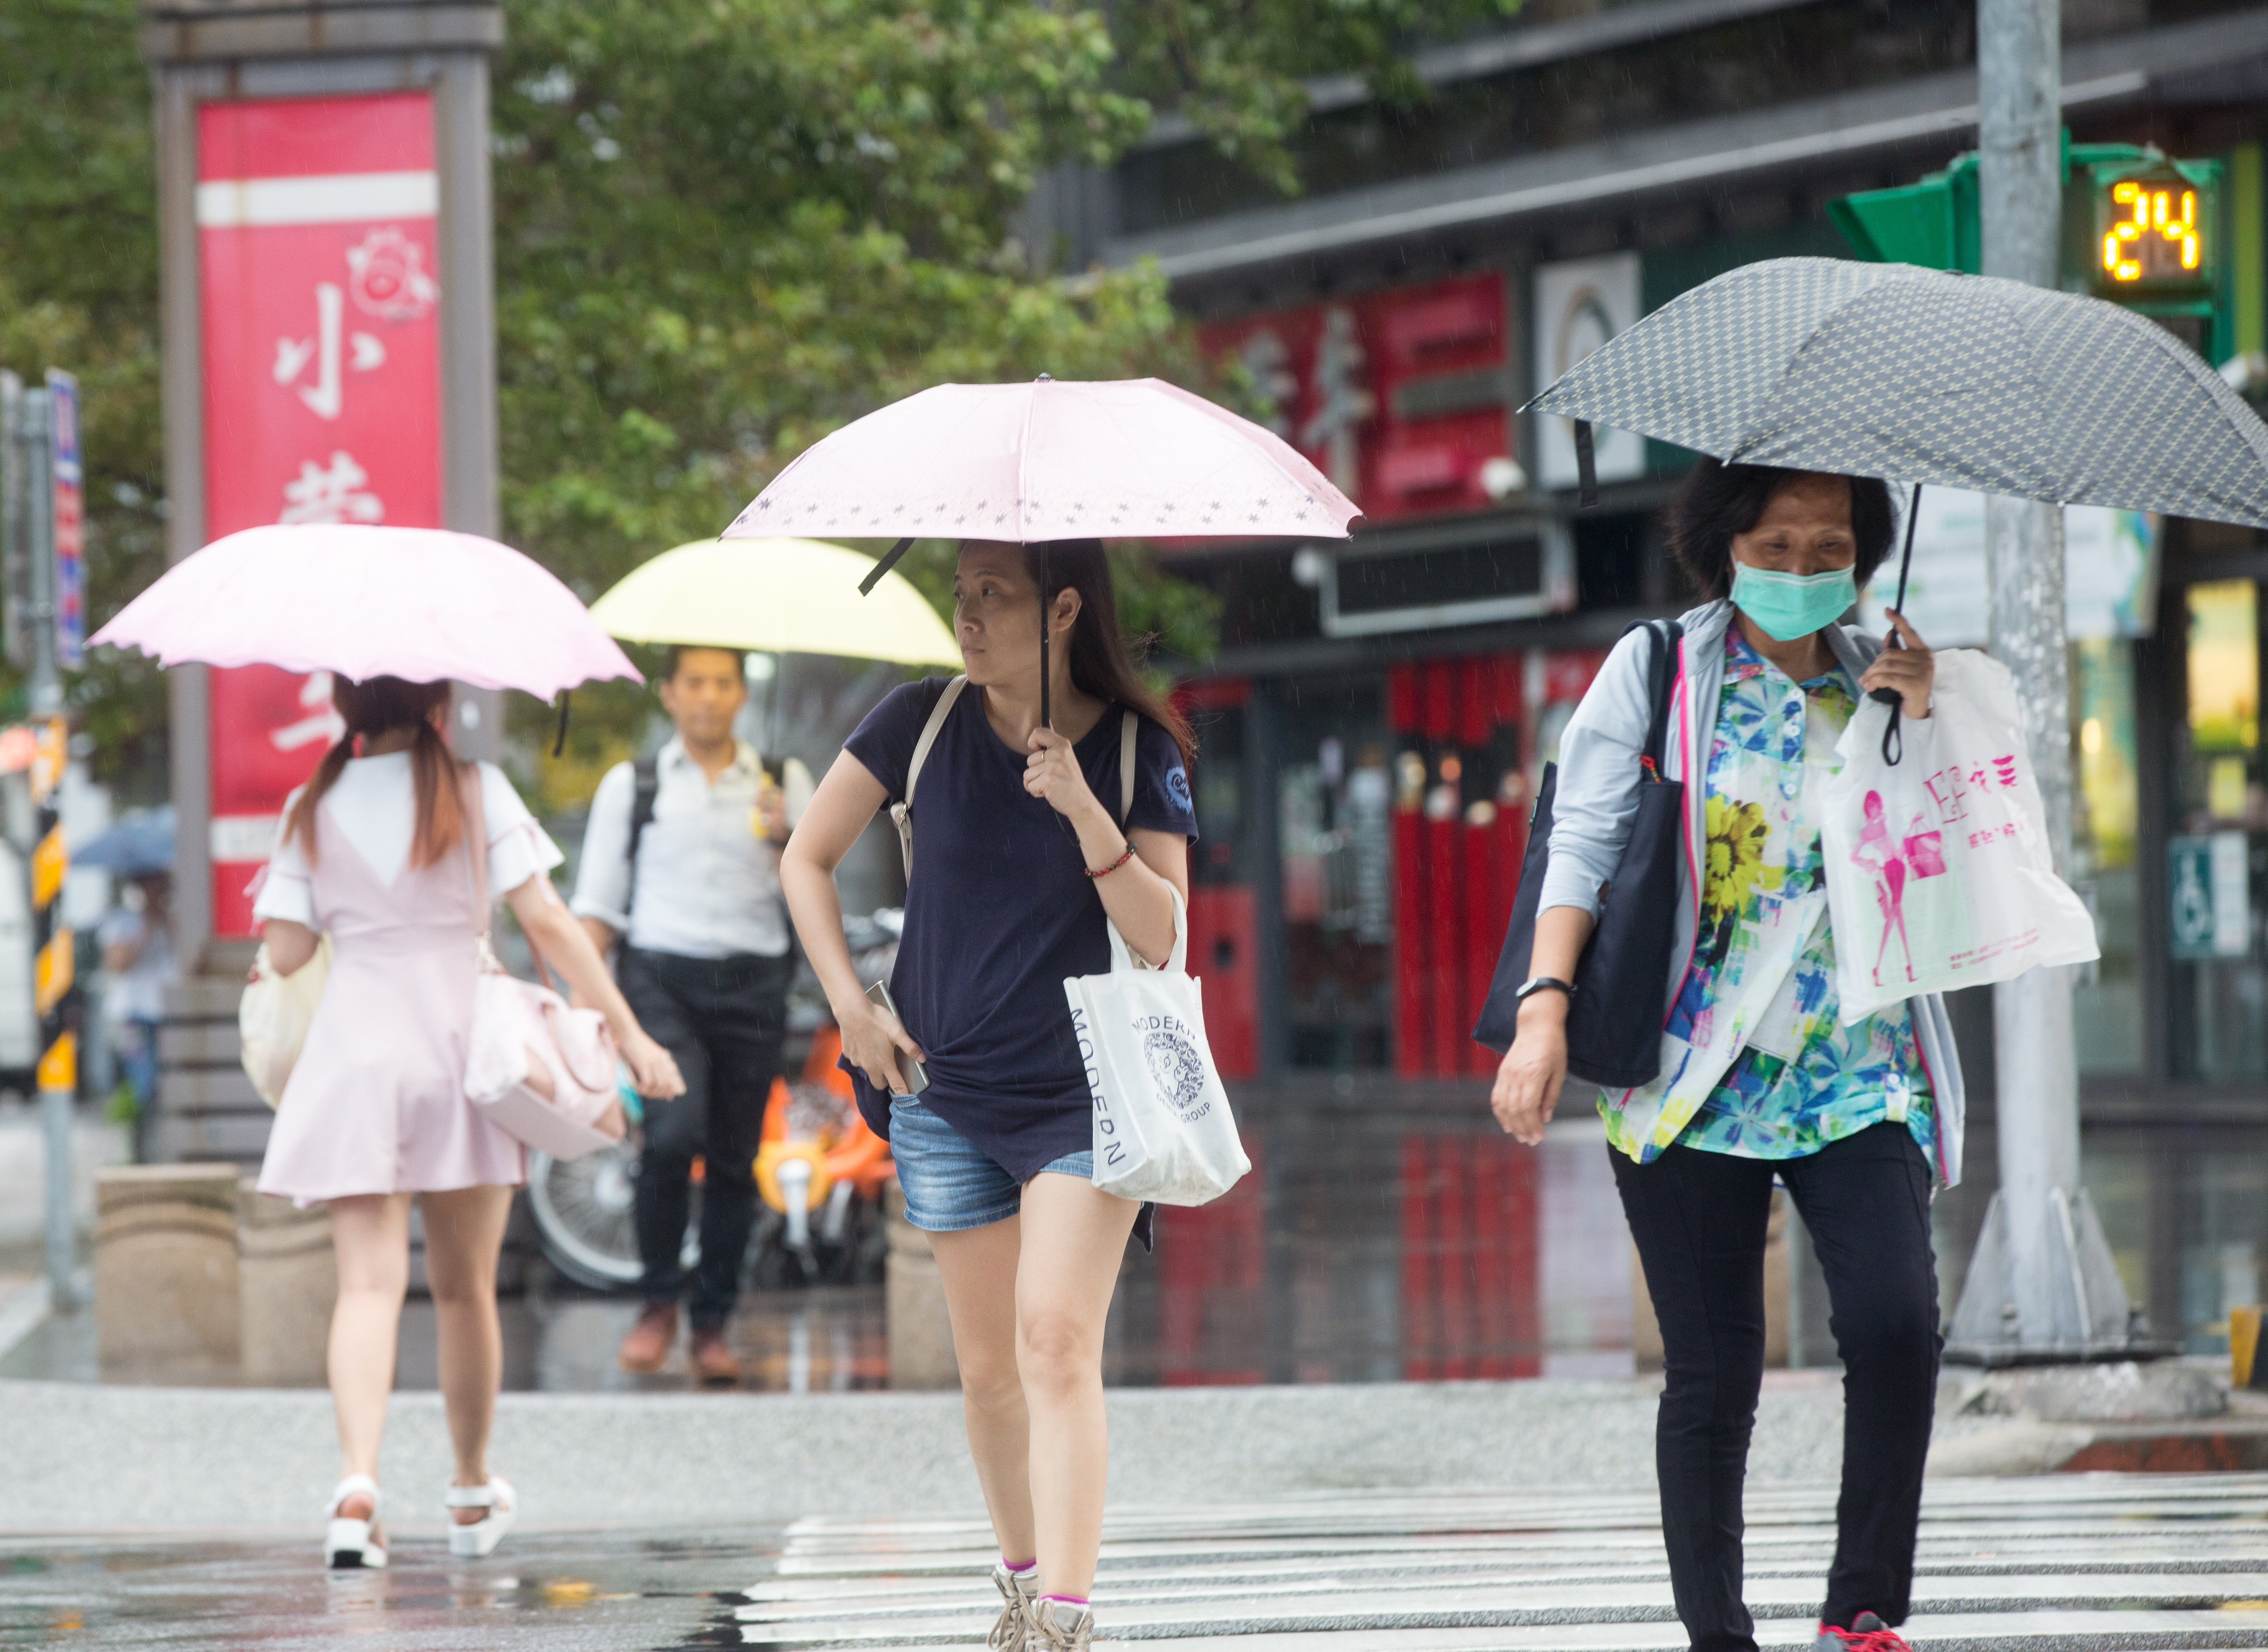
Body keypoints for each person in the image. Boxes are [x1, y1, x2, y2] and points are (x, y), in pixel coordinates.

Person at [1489, 463, 1965, 1652]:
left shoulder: (1882, 682)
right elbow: (1584, 841)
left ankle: (1860, 1607)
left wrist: (1927, 724)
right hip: (1690, 1073)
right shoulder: (1658, 668)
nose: (1806, 572)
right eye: (1780, 543)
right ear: (1724, 544)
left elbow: (1952, 869)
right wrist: (1543, 1009)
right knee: (1714, 1375)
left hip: (1856, 1065)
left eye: (1831, 548)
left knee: (1898, 1320)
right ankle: (1719, 1633)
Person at [781, 540, 1197, 1652]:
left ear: (1063, 609)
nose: (967, 617)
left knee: (1056, 1339)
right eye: (960, 595)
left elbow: (1163, 938)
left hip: (1083, 1094)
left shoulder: (1134, 749)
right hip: (941, 1087)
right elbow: (804, 858)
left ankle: (1066, 1615)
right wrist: (850, 1009)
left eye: (992, 595)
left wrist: (1082, 809)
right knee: (986, 1371)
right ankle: (1020, 1582)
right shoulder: (916, 722)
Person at [253, 674, 683, 1569]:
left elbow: (288, 950)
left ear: (342, 706)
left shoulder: (310, 802)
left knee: (367, 1288)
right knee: (462, 1291)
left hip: (355, 1056)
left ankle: (354, 1487)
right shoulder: (474, 786)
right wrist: (630, 1034)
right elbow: (550, 923)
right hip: (460, 1050)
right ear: (438, 703)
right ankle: (468, 1487)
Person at [572, 645, 812, 1384]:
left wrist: (787, 841)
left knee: (738, 1158)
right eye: (695, 683)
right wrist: (584, 1008)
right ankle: (656, 1305)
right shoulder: (635, 784)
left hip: (754, 982)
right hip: (660, 982)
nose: (709, 697)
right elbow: (598, 905)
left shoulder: (784, 781)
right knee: (673, 1138)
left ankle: (713, 1322)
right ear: (670, 695)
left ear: (742, 693)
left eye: (724, 683)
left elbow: (813, 892)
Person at [99, 871, 177, 1162]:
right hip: (134, 1016)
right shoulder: (122, 920)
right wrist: (145, 930)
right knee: (143, 1083)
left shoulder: (175, 918)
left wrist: (167, 921)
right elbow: (117, 964)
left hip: (169, 1014)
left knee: (169, 1084)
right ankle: (141, 1150)